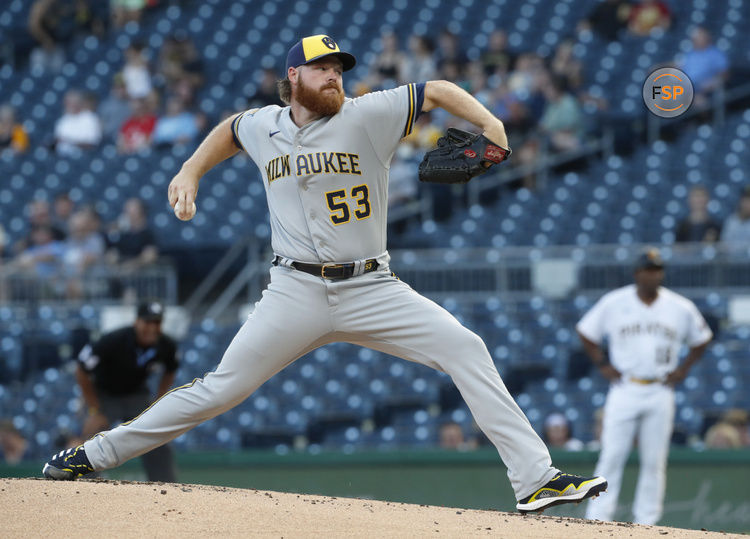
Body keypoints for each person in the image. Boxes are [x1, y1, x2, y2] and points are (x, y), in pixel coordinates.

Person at [43, 34, 606, 515]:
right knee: (219, 390)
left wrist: (489, 122)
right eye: (324, 68)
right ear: (294, 76)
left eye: (340, 69)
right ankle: (93, 456)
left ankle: (535, 479)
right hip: (294, 290)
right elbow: (231, 130)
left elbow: (434, 91)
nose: (336, 76)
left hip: (372, 286)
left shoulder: (369, 114)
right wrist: (190, 170)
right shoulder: (265, 125)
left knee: (465, 347)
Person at [577, 248, 712, 525]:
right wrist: (602, 362)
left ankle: (647, 522)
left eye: (657, 270)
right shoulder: (615, 302)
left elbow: (702, 338)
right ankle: (597, 518)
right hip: (625, 387)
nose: (653, 274)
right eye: (648, 269)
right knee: (611, 456)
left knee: (654, 461)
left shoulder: (679, 306)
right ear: (637, 273)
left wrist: (684, 369)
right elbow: (586, 331)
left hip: (660, 389)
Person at [72, 301, 179, 482]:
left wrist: (160, 399)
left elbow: (171, 369)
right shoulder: (113, 340)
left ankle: (166, 486)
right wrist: (94, 410)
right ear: (137, 322)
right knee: (93, 435)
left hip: (136, 394)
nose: (152, 328)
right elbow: (82, 370)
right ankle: (84, 484)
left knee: (157, 434)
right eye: (147, 322)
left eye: (157, 323)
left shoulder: (166, 345)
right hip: (105, 395)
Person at [677, 27, 729, 100]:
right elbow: (680, 66)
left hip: (703, 89)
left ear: (706, 38)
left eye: (699, 37)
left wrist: (714, 81)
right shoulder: (690, 54)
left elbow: (724, 73)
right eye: (694, 38)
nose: (695, 40)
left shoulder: (715, 53)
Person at [54, 89, 102, 156]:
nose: (68, 105)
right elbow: (58, 140)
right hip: (62, 156)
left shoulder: (90, 118)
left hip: (83, 156)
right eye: (67, 103)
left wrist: (70, 142)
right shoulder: (63, 120)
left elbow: (92, 143)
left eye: (71, 103)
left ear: (79, 103)